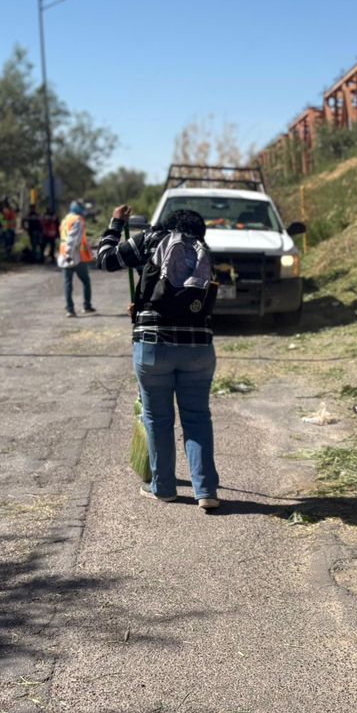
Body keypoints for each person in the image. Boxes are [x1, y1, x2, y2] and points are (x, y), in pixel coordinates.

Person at [95, 204, 220, 511]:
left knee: (158, 419)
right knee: (197, 418)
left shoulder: (151, 239)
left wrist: (115, 224)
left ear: (167, 223)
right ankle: (206, 491)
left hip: (153, 345)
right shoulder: (203, 249)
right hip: (198, 349)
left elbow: (105, 259)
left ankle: (162, 487)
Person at [56, 199, 96, 317]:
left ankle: (70, 309)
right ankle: (86, 305)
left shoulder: (65, 219)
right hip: (74, 256)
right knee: (85, 281)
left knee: (68, 283)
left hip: (64, 255)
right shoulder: (77, 220)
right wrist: (69, 254)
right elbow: (73, 239)